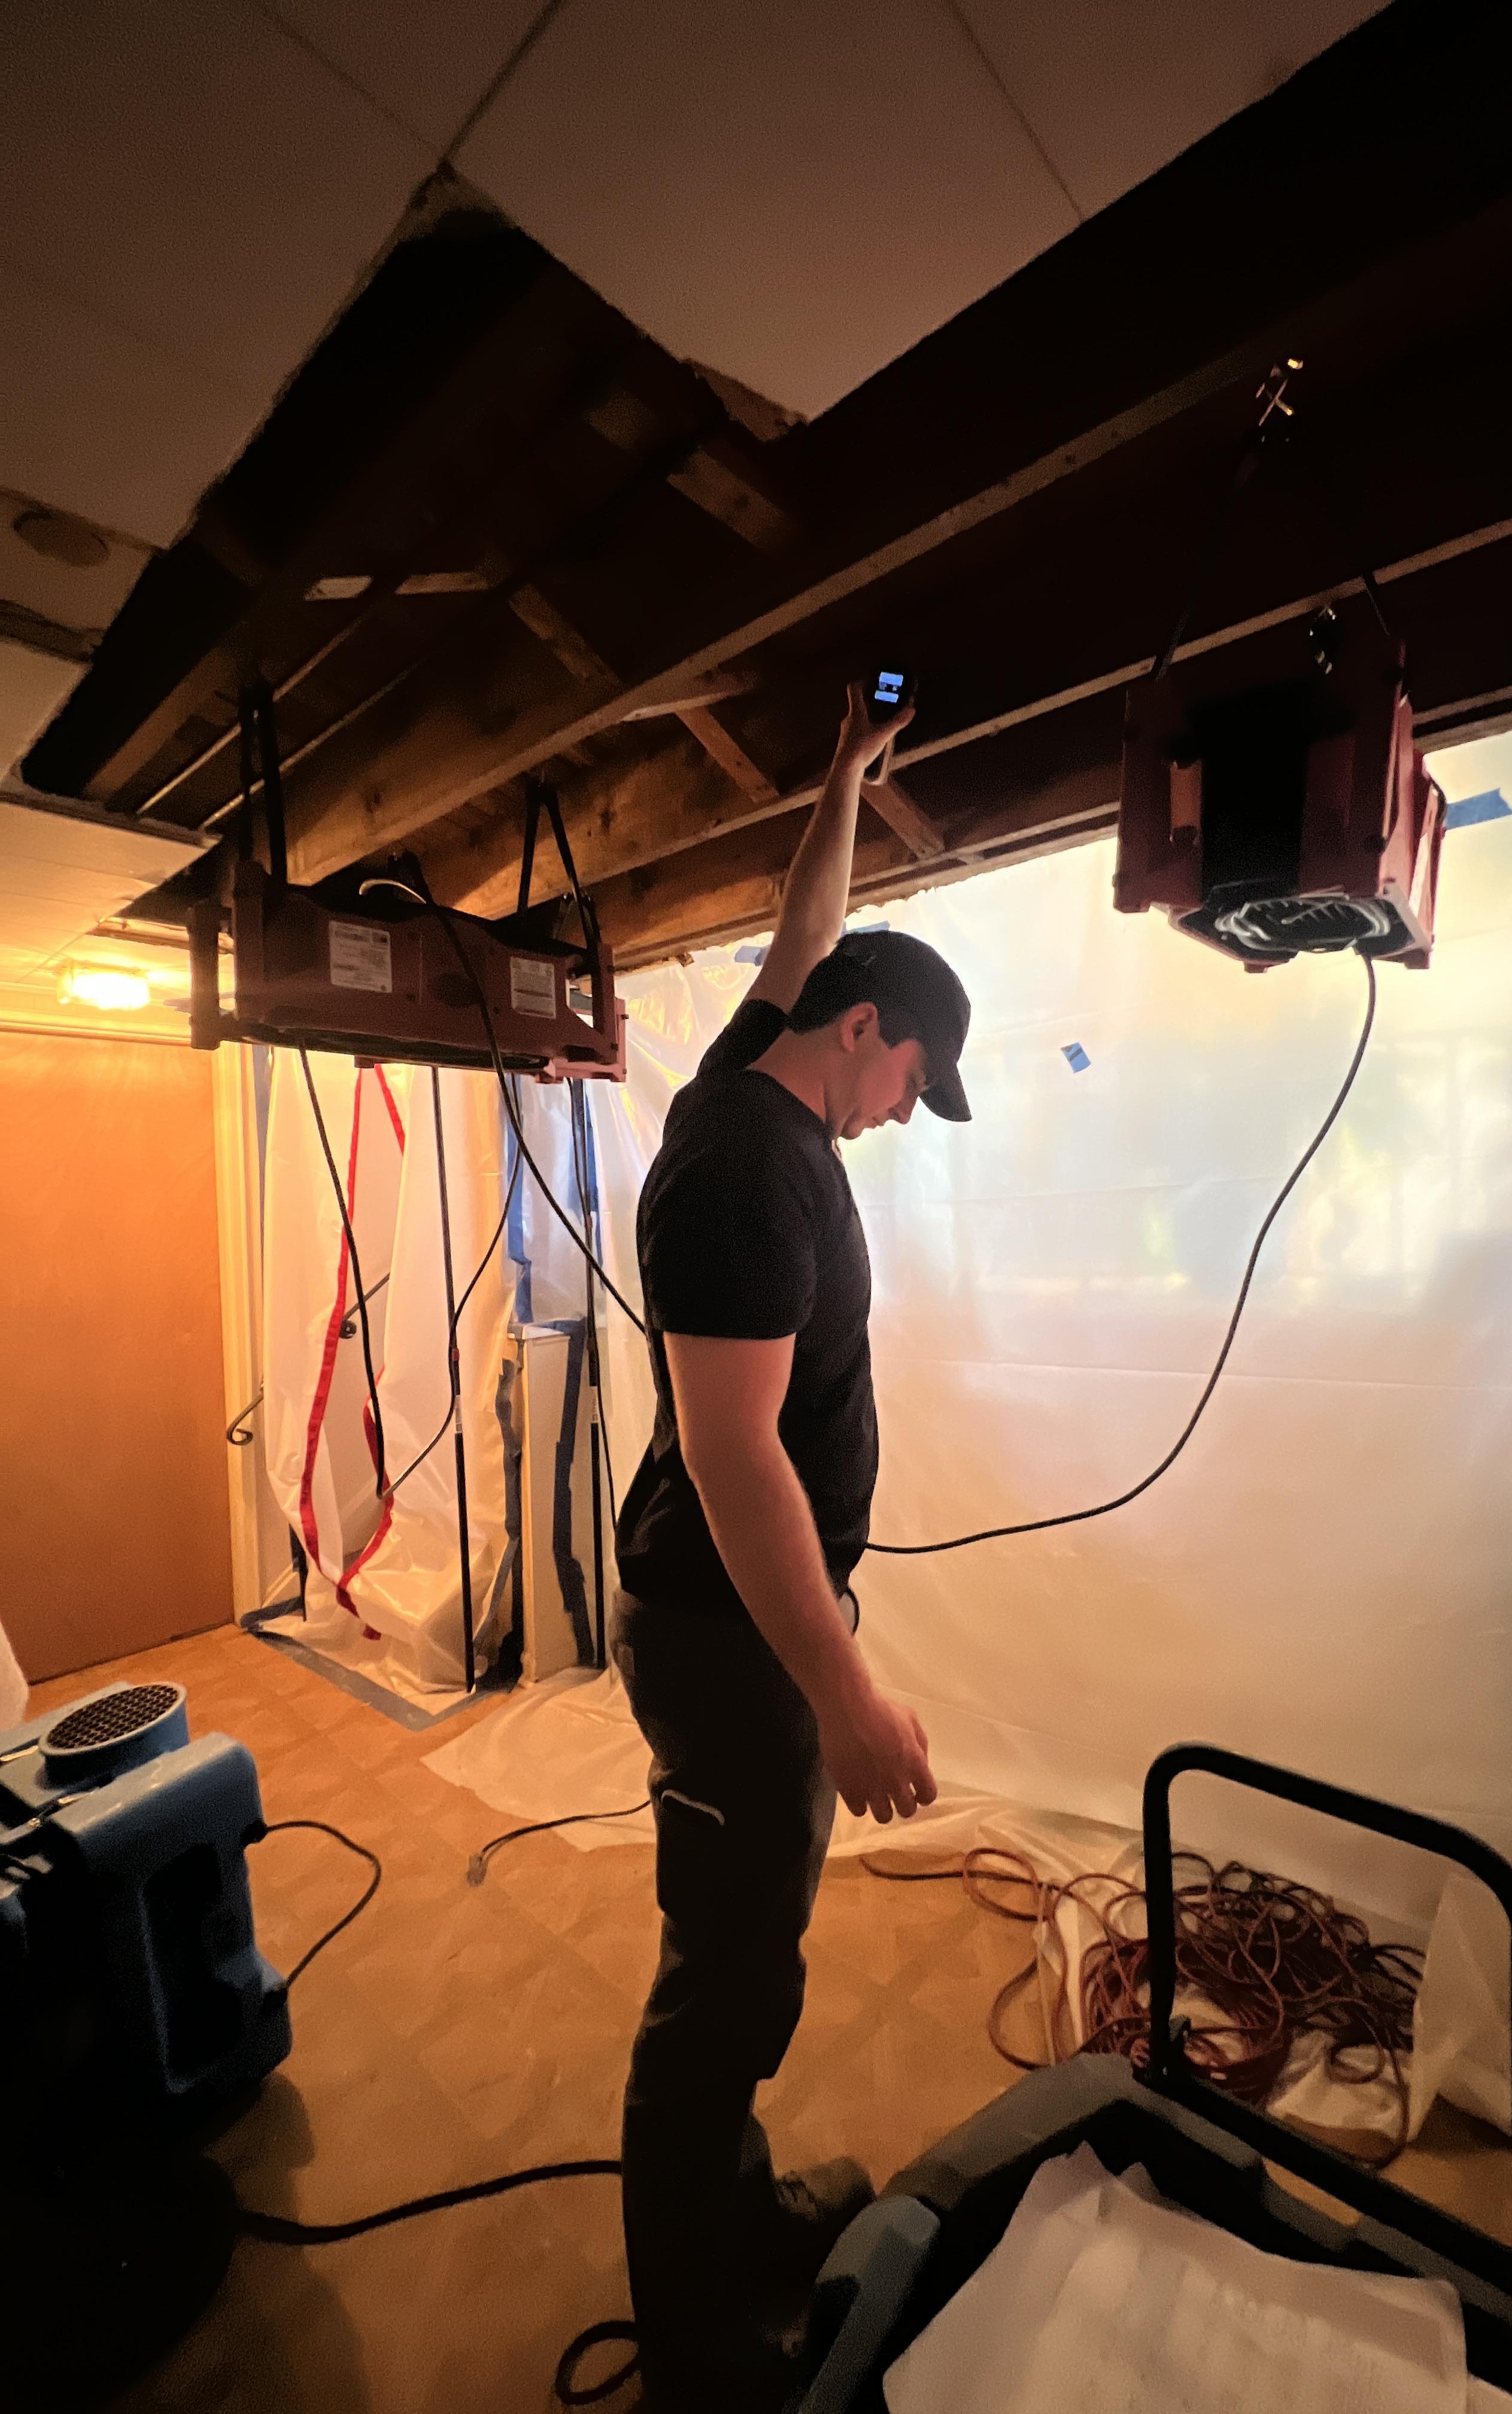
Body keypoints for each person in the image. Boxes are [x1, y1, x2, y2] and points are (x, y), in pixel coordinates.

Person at [608, 680, 972, 2411]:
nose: (909, 1107)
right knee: (726, 1975)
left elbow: (806, 928)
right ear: (866, 1029)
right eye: (916, 1076)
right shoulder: (746, 1175)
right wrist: (844, 1693)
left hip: (749, 1618)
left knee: (755, 1950)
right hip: (724, 1633)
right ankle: (692, 2334)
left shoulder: (757, 1084)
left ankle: (736, 2214)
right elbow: (731, 1456)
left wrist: (841, 773)